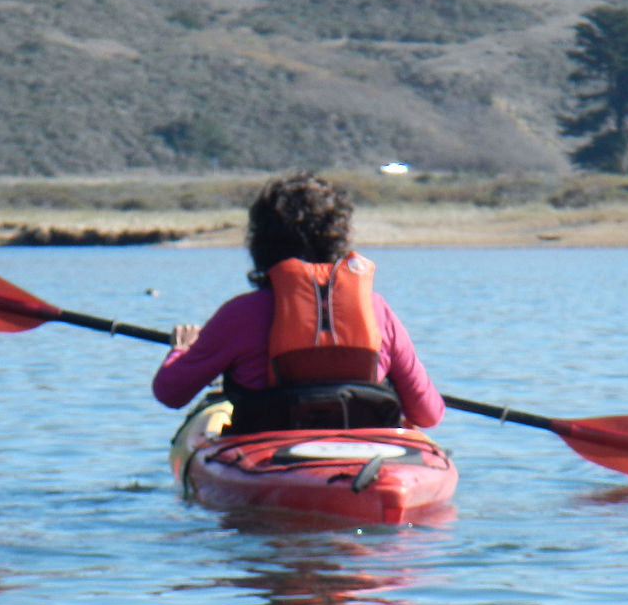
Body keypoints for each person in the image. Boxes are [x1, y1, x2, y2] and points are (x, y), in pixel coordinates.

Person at [151, 172, 444, 433]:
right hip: (366, 462)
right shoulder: (376, 309)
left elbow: (169, 392)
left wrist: (181, 349)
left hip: (269, 460)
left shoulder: (240, 314)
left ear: (260, 245)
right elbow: (428, 414)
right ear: (339, 241)